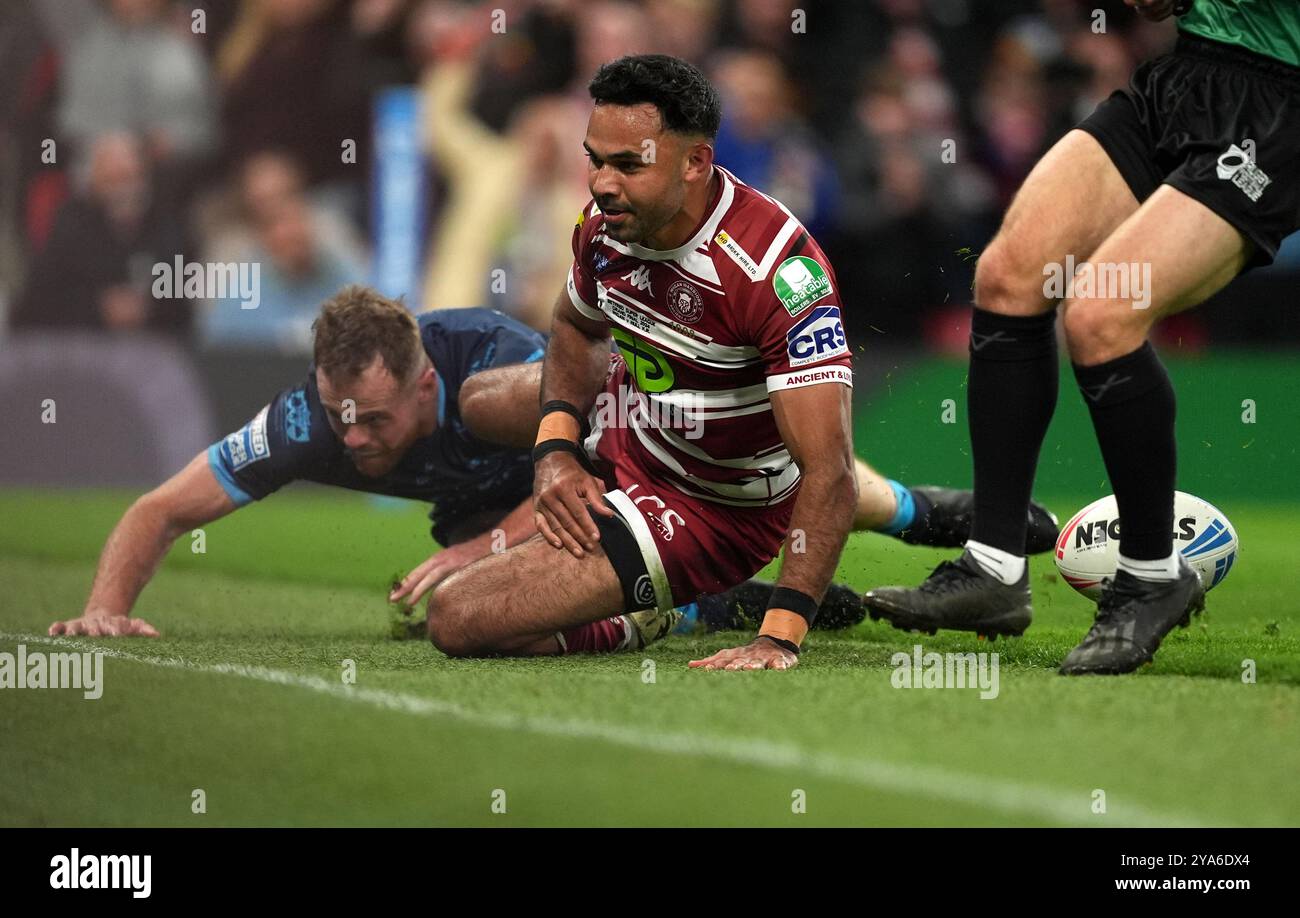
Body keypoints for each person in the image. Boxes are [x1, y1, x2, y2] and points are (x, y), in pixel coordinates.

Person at [420, 55, 1054, 670]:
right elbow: (576, 326)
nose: (600, 183)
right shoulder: (604, 224)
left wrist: (780, 636)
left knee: (458, 617)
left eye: (626, 164)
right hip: (637, 416)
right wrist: (555, 453)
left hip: (712, 504)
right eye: (594, 161)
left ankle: (669, 610)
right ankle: (915, 511)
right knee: (480, 399)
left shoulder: (779, 271)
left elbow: (826, 473)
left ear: (696, 161)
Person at [46, 283, 1056, 643]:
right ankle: (716, 604)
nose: (351, 442)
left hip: (625, 462)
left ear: (427, 386)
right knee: (461, 608)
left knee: (808, 486)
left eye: (375, 423)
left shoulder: (496, 373)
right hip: (505, 514)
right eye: (339, 422)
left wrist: (491, 541)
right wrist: (103, 602)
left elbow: (584, 464)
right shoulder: (315, 417)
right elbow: (159, 509)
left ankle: (938, 515)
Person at [864, 0, 1300, 675]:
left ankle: (1152, 572)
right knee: (1010, 276)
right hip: (1185, 75)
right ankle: (995, 566)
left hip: (1278, 104)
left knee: (1102, 312)